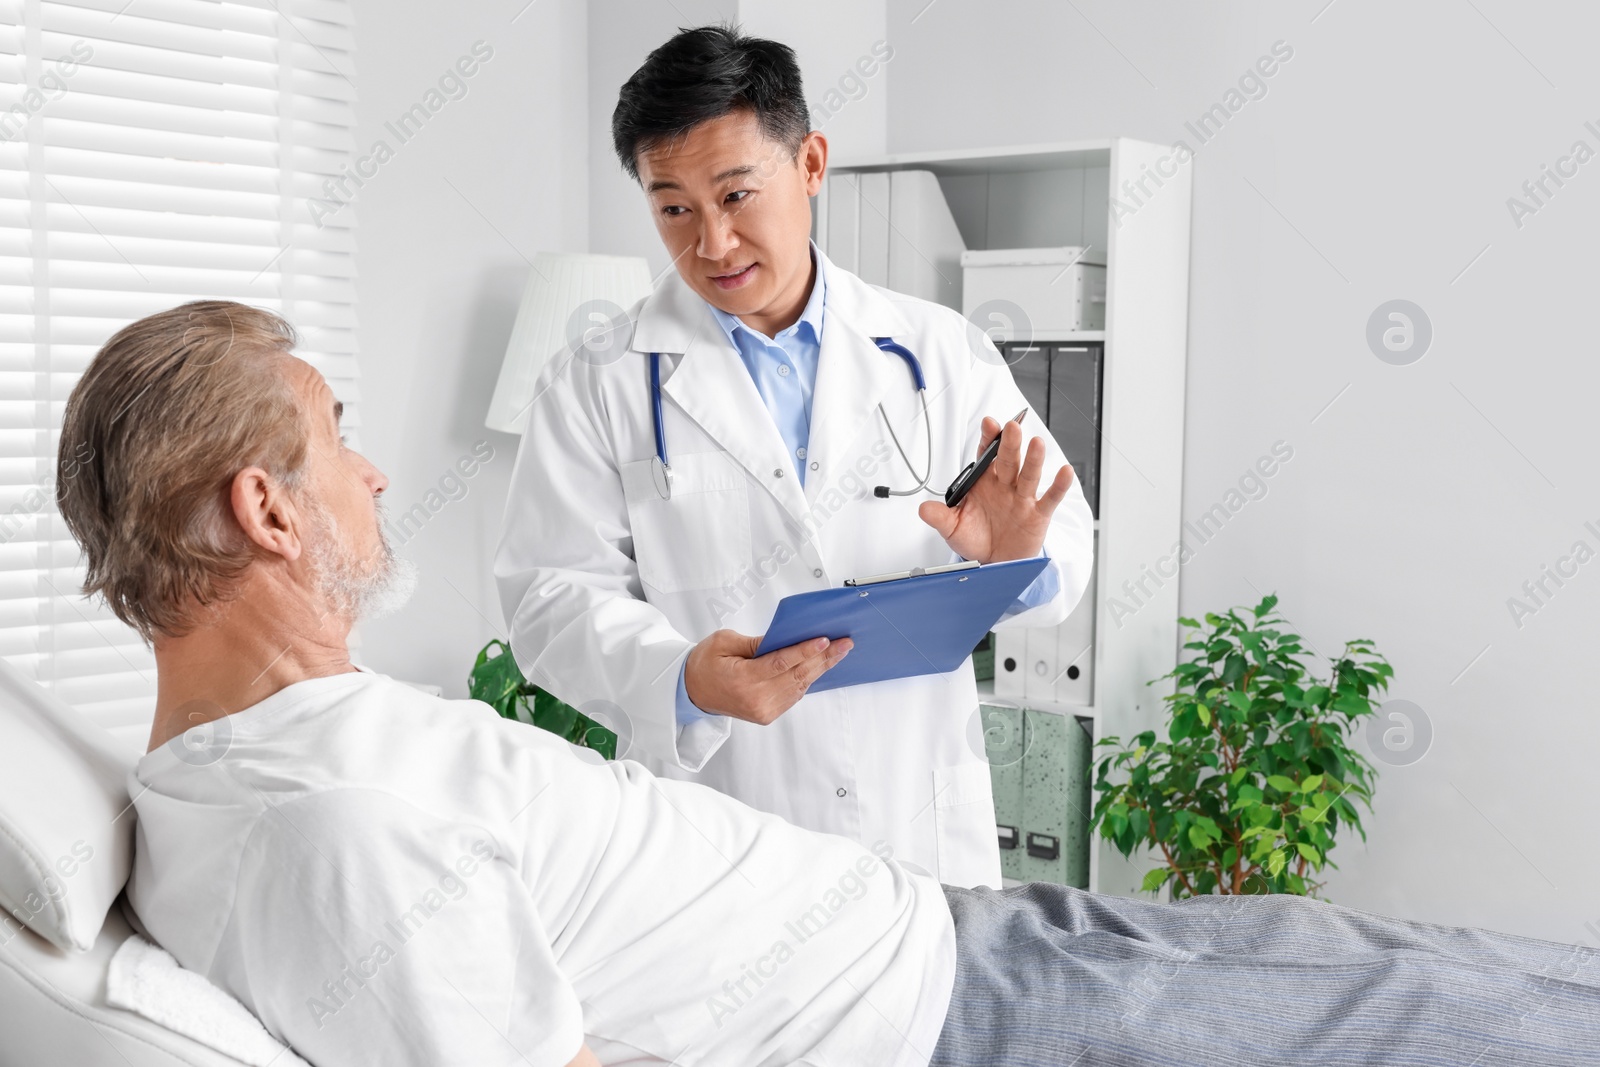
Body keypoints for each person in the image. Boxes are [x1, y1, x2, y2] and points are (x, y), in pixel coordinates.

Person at [66, 301, 1600, 1067]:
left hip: (931, 920)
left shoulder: (276, 760)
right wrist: (688, 675)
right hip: (941, 1004)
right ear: (269, 512)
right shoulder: (329, 815)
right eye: (338, 432)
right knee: (1410, 996)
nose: (375, 465)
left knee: (1373, 962)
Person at [494, 26, 1095, 889]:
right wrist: (682, 678)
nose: (712, 243)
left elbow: (1066, 541)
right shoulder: (599, 379)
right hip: (720, 829)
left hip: (913, 826)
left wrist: (1014, 560)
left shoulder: (939, 351)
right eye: (674, 208)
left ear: (810, 163)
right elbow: (549, 599)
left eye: (737, 195)